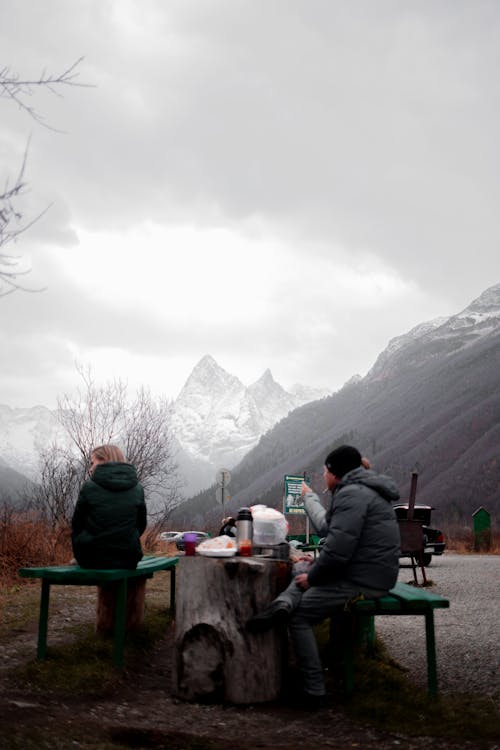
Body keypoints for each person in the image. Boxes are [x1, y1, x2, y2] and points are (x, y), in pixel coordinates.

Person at [247, 445, 400, 710]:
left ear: (335, 473)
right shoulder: (359, 491)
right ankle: (282, 604)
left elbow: (339, 549)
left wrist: (314, 577)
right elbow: (344, 541)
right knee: (302, 566)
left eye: (326, 469)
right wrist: (315, 566)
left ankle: (314, 691)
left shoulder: (352, 495)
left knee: (301, 615)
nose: (323, 474)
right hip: (366, 570)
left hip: (366, 580)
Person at [71, 444, 147, 569]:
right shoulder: (137, 489)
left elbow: (77, 525)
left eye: (92, 463)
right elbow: (141, 525)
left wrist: (82, 548)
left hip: (92, 558)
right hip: (129, 558)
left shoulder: (89, 488)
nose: (90, 469)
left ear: (104, 460)